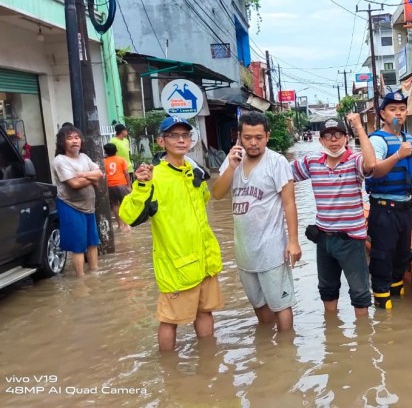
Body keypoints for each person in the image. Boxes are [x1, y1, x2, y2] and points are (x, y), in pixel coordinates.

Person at [119, 116, 223, 351]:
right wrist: (141, 186)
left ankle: (209, 361)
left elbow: (204, 203)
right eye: (174, 135)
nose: (181, 140)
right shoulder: (153, 175)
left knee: (204, 311)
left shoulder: (194, 170)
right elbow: (129, 216)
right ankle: (168, 369)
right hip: (176, 263)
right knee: (169, 320)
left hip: (204, 259)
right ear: (161, 141)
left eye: (185, 135)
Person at [211, 112, 301, 331]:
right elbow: (217, 194)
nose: (253, 143)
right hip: (244, 251)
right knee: (258, 304)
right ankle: (269, 352)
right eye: (248, 137)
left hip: (272, 250)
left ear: (267, 136)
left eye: (258, 137)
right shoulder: (232, 160)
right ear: (239, 136)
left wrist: (293, 241)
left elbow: (289, 203)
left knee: (281, 304)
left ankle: (286, 351)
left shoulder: (277, 162)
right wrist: (232, 166)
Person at [290, 115, 375, 318]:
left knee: (360, 293)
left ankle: (363, 340)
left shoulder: (354, 161)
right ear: (321, 141)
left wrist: (358, 127)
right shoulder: (312, 162)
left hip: (351, 240)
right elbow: (282, 174)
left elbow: (371, 164)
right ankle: (331, 334)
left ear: (346, 138)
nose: (334, 140)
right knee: (327, 291)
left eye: (338, 135)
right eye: (328, 136)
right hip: (324, 239)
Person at [365, 91, 412, 309]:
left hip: (405, 207)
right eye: (392, 109)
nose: (398, 113)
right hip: (383, 209)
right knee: (382, 255)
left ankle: (398, 293)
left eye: (402, 109)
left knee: (402, 253)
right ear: (383, 114)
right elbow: (375, 171)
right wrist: (397, 155)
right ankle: (381, 300)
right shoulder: (377, 140)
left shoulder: (409, 139)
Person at [52, 123, 103, 277]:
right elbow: (74, 184)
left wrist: (82, 175)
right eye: (70, 138)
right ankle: (81, 280)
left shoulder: (84, 157)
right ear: (62, 142)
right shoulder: (60, 160)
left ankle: (95, 275)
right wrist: (90, 177)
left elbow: (100, 173)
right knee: (78, 246)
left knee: (93, 243)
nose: (75, 141)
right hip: (70, 206)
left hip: (89, 207)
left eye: (77, 138)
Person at [103, 143, 131, 231]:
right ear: (117, 151)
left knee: (115, 204)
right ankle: (127, 225)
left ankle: (120, 225)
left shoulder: (103, 161)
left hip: (110, 185)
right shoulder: (121, 160)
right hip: (121, 184)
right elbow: (126, 173)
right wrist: (129, 185)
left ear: (105, 152)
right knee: (124, 204)